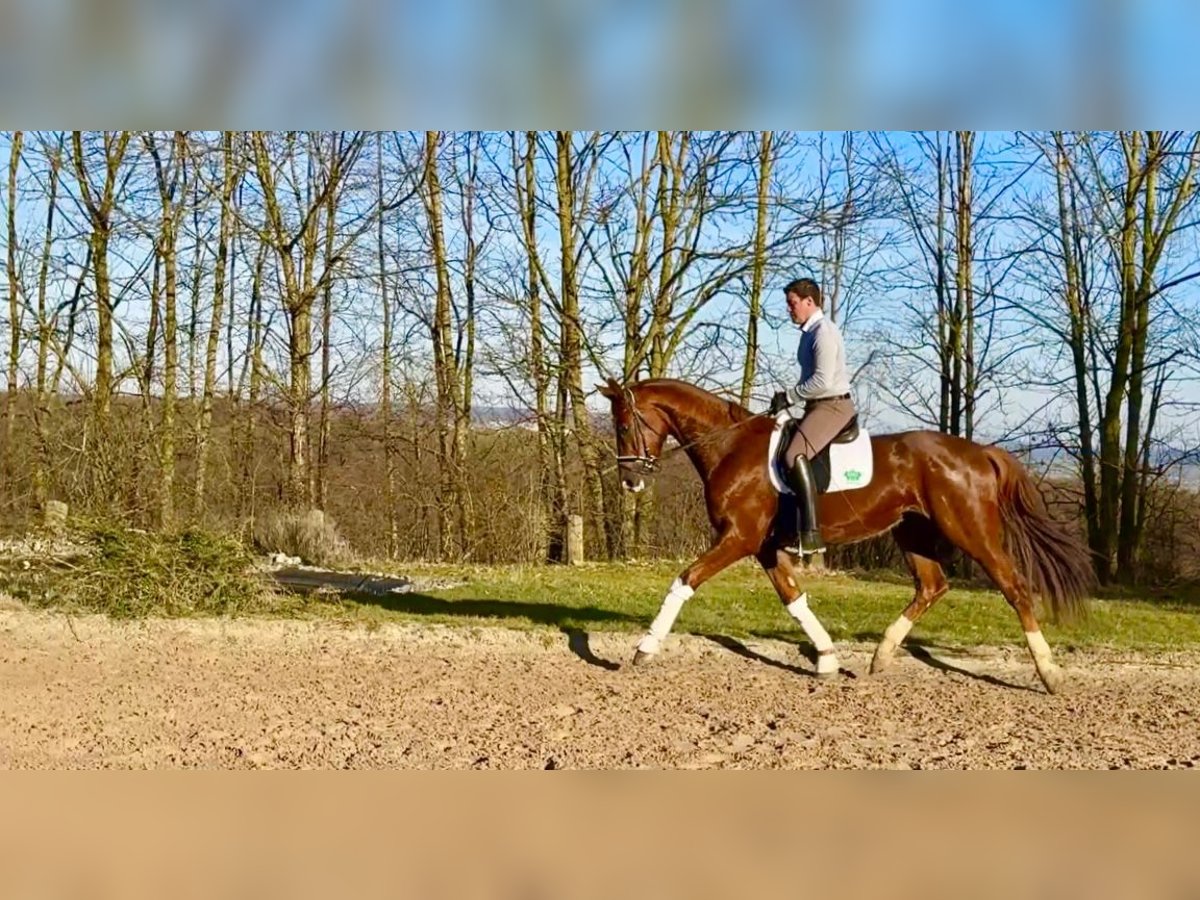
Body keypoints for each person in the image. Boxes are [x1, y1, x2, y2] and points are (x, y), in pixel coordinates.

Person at [767, 278, 856, 557]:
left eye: (792, 304)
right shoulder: (809, 332)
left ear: (809, 302)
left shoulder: (823, 332)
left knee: (794, 455)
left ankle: (810, 534)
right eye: (788, 304)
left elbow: (822, 380)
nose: (789, 309)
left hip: (833, 407)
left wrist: (790, 396)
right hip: (817, 407)